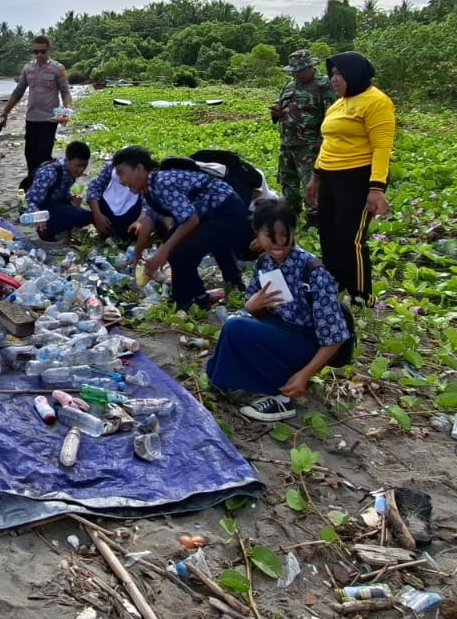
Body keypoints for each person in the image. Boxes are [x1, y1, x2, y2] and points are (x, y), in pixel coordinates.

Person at [207, 202, 353, 422]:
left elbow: (336, 337)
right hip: (280, 328)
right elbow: (257, 311)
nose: (279, 242)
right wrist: (252, 307)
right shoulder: (264, 263)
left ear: (293, 232)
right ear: (257, 234)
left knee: (236, 326)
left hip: (308, 340)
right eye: (270, 235)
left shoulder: (314, 272)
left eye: (285, 234)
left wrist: (304, 375)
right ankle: (233, 383)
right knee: (235, 326)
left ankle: (282, 398)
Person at [305, 52, 395, 301]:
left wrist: (376, 188)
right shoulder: (338, 104)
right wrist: (315, 178)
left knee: (350, 237)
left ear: (354, 74)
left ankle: (361, 294)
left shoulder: (376, 102)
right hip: (330, 177)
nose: (334, 79)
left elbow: (382, 147)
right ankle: (335, 284)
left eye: (339, 74)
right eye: (332, 74)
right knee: (329, 234)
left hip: (357, 177)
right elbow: (329, 143)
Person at [117, 145, 248, 311]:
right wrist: (137, 254)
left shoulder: (162, 182)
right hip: (208, 212)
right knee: (182, 246)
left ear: (139, 168)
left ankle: (193, 300)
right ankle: (228, 289)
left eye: (122, 173)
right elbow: (148, 221)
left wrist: (164, 250)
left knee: (179, 252)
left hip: (225, 209)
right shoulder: (147, 190)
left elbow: (190, 219)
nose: (121, 181)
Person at [270, 50, 334, 229]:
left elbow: (333, 116)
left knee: (311, 183)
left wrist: (322, 141)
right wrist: (276, 111)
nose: (295, 74)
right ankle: (291, 213)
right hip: (288, 142)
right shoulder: (290, 85)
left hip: (310, 144)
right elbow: (280, 105)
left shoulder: (324, 86)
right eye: (293, 71)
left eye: (298, 71)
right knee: (287, 180)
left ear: (310, 67)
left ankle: (315, 218)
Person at [0, 35, 72, 189]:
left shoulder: (58, 68)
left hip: (49, 119)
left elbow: (65, 92)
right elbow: (18, 91)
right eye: (35, 52)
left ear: (48, 50)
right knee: (30, 155)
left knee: (43, 155)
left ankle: (46, 184)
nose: (39, 55)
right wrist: (5, 112)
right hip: (31, 119)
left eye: (42, 51)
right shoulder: (28, 68)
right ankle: (33, 186)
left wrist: (66, 112)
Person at [24, 140, 92, 240]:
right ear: (67, 159)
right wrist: (38, 217)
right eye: (78, 165)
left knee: (85, 216)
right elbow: (29, 200)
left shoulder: (69, 172)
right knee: (84, 216)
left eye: (84, 166)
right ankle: (47, 231)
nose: (81, 170)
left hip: (54, 206)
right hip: (41, 212)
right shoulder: (51, 172)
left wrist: (71, 199)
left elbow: (59, 192)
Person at [85, 157, 144, 241]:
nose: (121, 181)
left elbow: (147, 206)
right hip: (105, 216)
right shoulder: (110, 168)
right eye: (118, 173)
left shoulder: (139, 181)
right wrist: (97, 215)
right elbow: (94, 189)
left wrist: (139, 221)